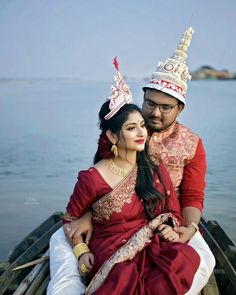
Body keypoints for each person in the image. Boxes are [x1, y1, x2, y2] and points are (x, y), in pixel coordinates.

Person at [48, 27, 216, 294]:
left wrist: (187, 228)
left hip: (166, 220)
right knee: (63, 247)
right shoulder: (127, 135)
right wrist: (89, 218)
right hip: (113, 227)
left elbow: (193, 195)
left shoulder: (191, 144)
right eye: (149, 103)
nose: (154, 114)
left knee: (202, 260)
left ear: (180, 108)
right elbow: (101, 188)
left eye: (165, 107)